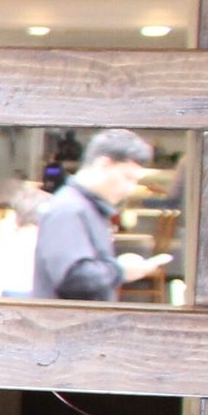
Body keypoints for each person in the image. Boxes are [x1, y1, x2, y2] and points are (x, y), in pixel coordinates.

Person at [30, 128, 170, 300]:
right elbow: (73, 277)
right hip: (68, 316)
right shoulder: (68, 209)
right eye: (127, 177)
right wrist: (120, 270)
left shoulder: (84, 207)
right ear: (105, 164)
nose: (130, 189)